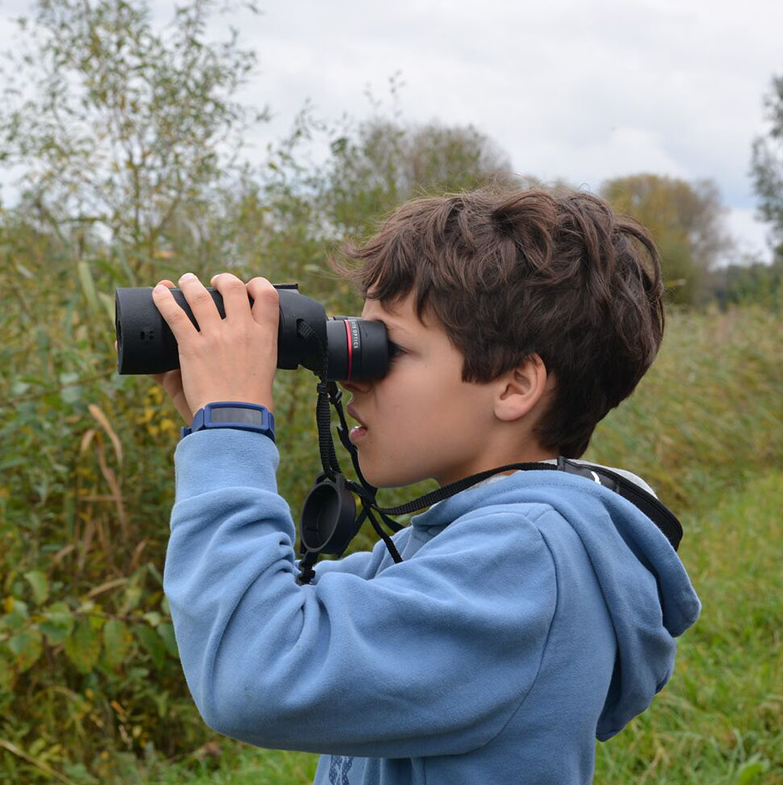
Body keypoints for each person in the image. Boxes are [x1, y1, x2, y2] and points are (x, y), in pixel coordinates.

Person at [149, 185, 701, 785]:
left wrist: (231, 431)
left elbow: (253, 669)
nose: (354, 377)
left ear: (515, 386)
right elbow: (277, 609)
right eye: (359, 339)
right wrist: (207, 417)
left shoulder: (526, 559)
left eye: (391, 348)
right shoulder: (467, 538)